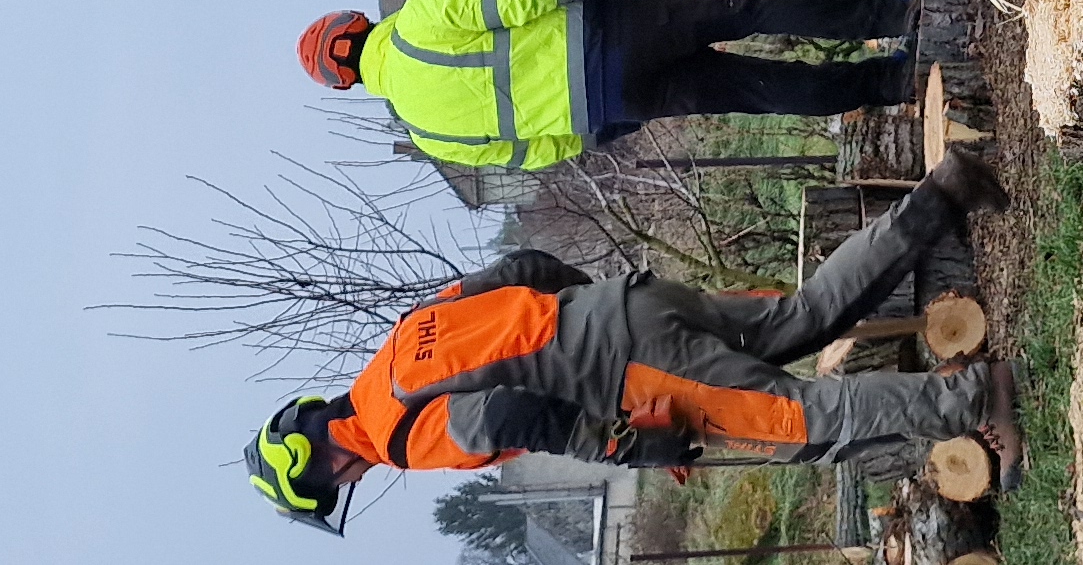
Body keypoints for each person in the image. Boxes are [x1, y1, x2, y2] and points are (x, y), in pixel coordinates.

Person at [241, 154, 1023, 530]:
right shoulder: (405, 340)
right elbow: (525, 267)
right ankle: (943, 192)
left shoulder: (399, 434)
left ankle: (976, 395)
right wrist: (601, 307)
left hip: (632, 370)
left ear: (323, 463)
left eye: (332, 486)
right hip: (629, 307)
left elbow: (509, 419)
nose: (348, 484)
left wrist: (628, 444)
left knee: (799, 423)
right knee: (804, 316)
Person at [302, 0, 915, 169]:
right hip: (614, 29)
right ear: (357, 23)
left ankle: (894, 81)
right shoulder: (415, 21)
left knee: (760, 91)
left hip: (618, 105)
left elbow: (530, 155)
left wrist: (602, 130)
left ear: (350, 81)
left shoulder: (429, 134)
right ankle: (895, 17)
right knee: (749, 7)